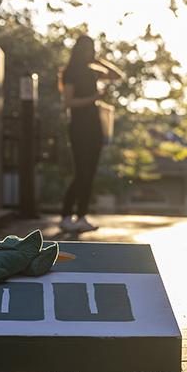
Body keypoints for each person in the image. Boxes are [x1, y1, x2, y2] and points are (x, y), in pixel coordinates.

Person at [58, 35, 122, 233]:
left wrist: (98, 61)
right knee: (82, 171)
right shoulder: (70, 73)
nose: (91, 52)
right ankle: (67, 215)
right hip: (78, 127)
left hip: (94, 126)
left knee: (91, 172)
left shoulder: (92, 71)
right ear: (79, 50)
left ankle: (82, 215)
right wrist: (94, 97)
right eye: (88, 49)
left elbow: (116, 75)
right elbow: (69, 103)